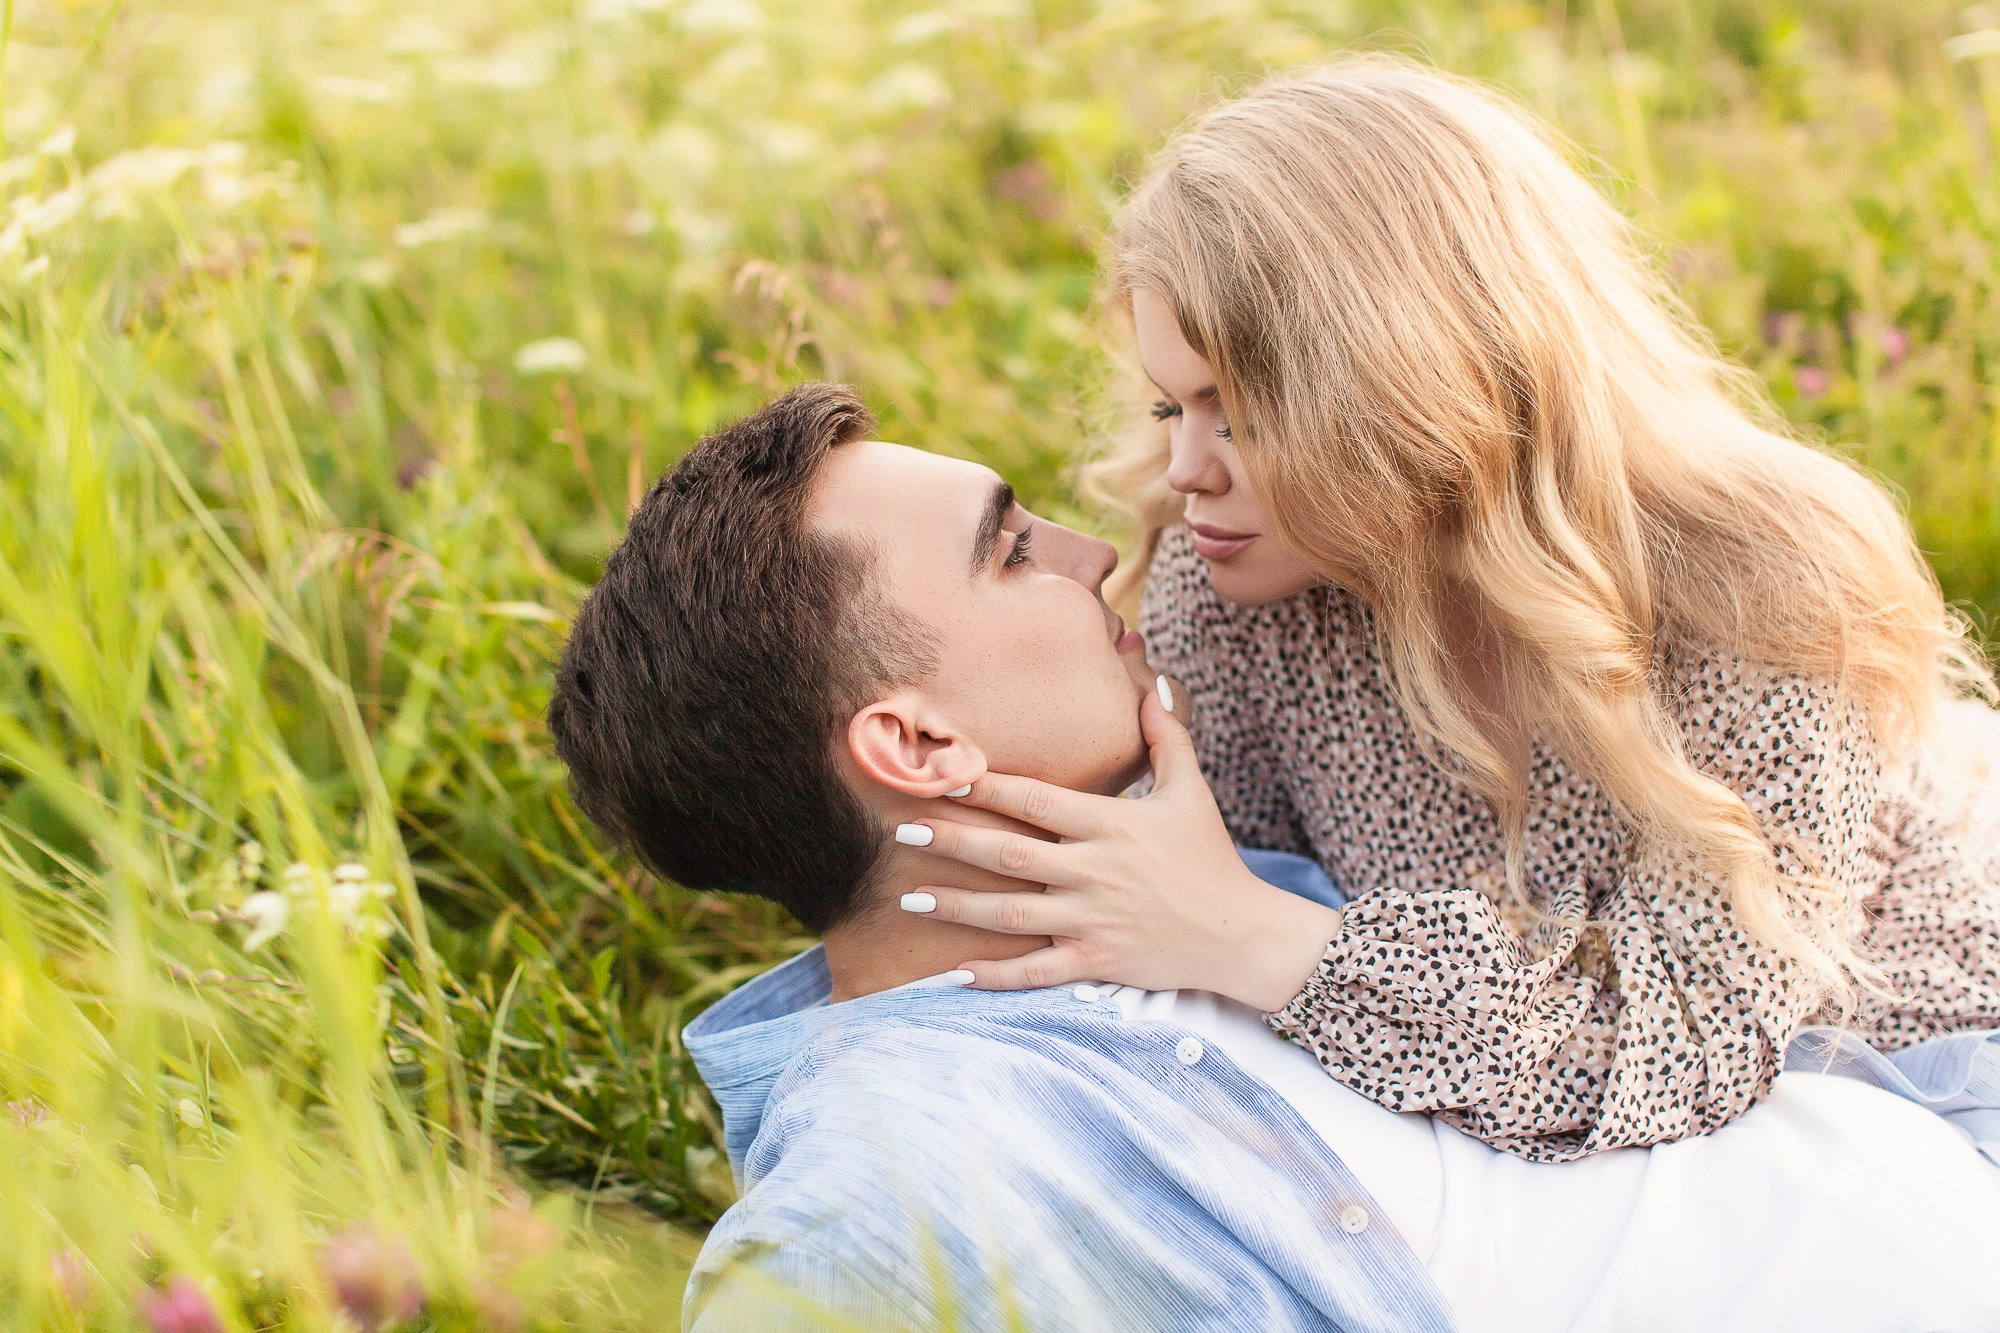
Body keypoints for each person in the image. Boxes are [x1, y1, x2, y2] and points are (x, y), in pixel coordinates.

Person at [547, 385, 2000, 1333]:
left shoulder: (1206, 855)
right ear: (916, 747)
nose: (1094, 552)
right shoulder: (907, 1164)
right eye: (1008, 550)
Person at [899, 57, 2000, 1162]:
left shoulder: (1754, 583)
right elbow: (1174, 927)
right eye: (1167, 402)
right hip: (1563, 1135)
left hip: (1925, 1073)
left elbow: (1693, 1043)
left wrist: (1254, 937)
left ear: (1413, 390)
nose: (1185, 467)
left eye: (1237, 416)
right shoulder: (1236, 587)